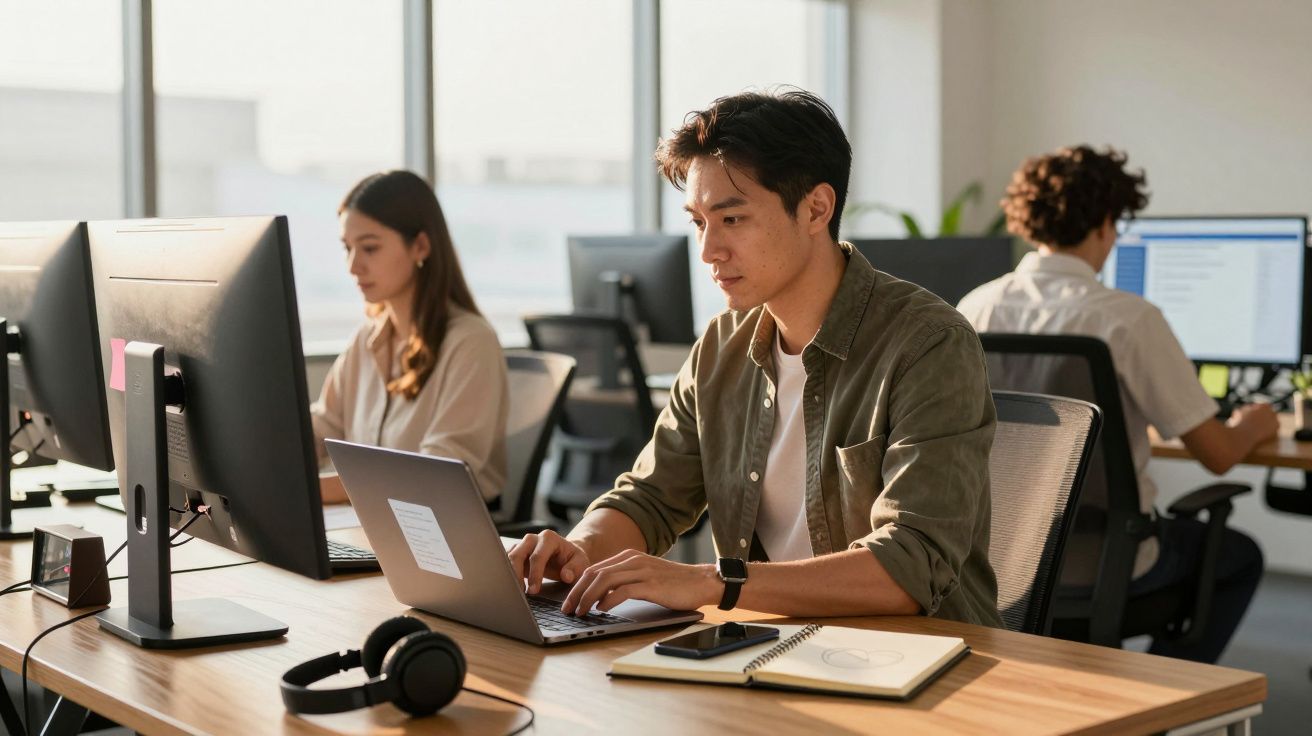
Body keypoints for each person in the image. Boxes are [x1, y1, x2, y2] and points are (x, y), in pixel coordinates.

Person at [510, 89, 1002, 626]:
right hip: (776, 649)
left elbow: (913, 564)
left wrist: (710, 582)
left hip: (924, 661)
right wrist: (579, 549)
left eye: (733, 219)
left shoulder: (928, 344)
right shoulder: (721, 347)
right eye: (699, 222)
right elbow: (649, 498)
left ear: (816, 208)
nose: (708, 251)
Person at [957, 144, 1273, 662]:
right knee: (1238, 557)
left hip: (1002, 561)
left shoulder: (975, 306)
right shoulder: (1127, 318)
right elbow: (1217, 453)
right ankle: (1167, 703)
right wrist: (1256, 423)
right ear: (1105, 222)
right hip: (1110, 560)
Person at [312, 170, 508, 506]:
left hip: (439, 539)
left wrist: (312, 491)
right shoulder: (366, 340)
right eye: (347, 248)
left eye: (369, 248)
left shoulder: (471, 344)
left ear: (420, 246)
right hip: (370, 525)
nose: (352, 266)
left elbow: (432, 476)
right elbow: (323, 427)